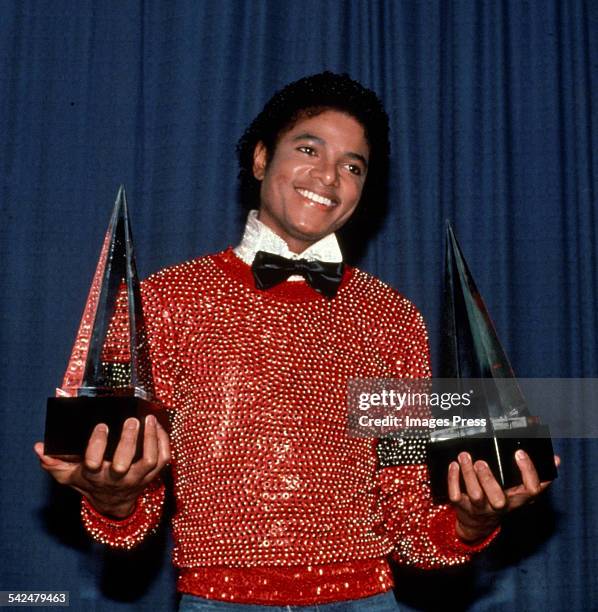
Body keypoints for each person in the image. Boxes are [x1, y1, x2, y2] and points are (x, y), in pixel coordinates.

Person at [34, 72, 558, 611]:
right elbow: (132, 515)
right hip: (214, 601)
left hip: (366, 601)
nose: (328, 177)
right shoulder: (165, 301)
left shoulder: (392, 318)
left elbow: (410, 526)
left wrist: (471, 520)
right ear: (261, 158)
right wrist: (112, 494)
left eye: (352, 166)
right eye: (309, 148)